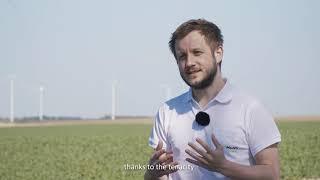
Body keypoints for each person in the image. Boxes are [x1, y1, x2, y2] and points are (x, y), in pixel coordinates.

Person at [144, 19, 281, 180]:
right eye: (182, 56)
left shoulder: (250, 108)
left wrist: (224, 167)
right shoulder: (167, 111)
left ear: (218, 53)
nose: (189, 63)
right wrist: (151, 174)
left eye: (197, 52)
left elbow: (272, 174)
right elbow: (161, 176)